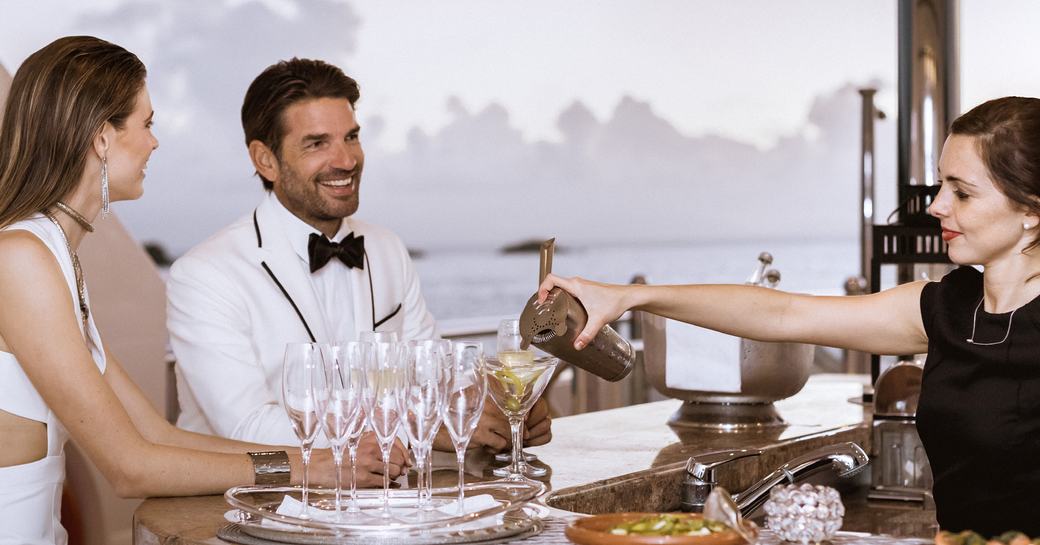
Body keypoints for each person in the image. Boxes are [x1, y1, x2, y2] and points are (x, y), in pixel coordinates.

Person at [538, 96, 1040, 535]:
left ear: (1031, 209)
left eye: (962, 192)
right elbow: (781, 315)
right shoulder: (947, 308)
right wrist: (628, 297)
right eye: (939, 185)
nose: (935, 206)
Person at [0, 36, 405, 545]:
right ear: (102, 137)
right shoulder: (20, 258)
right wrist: (312, 471)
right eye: (146, 124)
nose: (154, 142)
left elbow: (155, 434)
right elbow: (131, 467)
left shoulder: (55, 256)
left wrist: (322, 460)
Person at [166, 58, 551, 454]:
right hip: (243, 508)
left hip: (377, 502)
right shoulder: (204, 274)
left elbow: (433, 375)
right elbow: (246, 427)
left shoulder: (387, 249)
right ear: (265, 160)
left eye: (351, 137)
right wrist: (416, 424)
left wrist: (493, 409)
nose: (347, 161)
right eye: (317, 143)